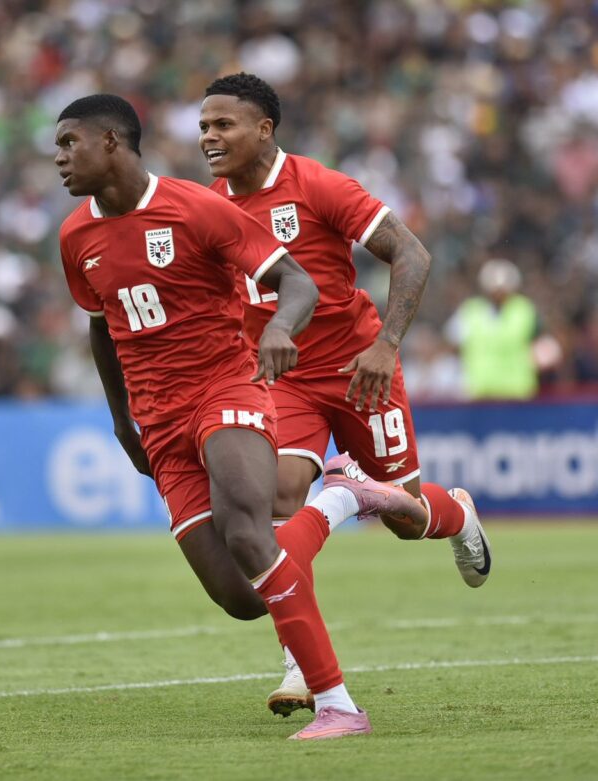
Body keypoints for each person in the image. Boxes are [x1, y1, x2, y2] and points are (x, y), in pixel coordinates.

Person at [56, 93, 430, 740]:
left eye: (69, 143)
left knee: (253, 529)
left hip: (226, 386)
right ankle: (343, 498)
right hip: (159, 422)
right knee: (243, 596)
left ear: (111, 142)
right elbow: (101, 328)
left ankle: (338, 704)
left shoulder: (198, 207)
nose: (59, 158)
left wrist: (281, 328)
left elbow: (300, 281)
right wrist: (122, 422)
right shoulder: (74, 237)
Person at [199, 73, 493, 716]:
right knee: (278, 493)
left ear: (264, 129)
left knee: (404, 517)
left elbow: (411, 254)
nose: (209, 138)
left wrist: (387, 344)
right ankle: (299, 662)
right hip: (281, 377)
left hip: (361, 370)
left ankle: (455, 513)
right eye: (204, 127)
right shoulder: (208, 207)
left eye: (223, 125)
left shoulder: (318, 185)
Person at [445, 258, 554, 399]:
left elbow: (543, 344)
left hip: (517, 393)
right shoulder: (470, 311)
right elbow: (452, 344)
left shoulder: (524, 310)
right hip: (480, 394)